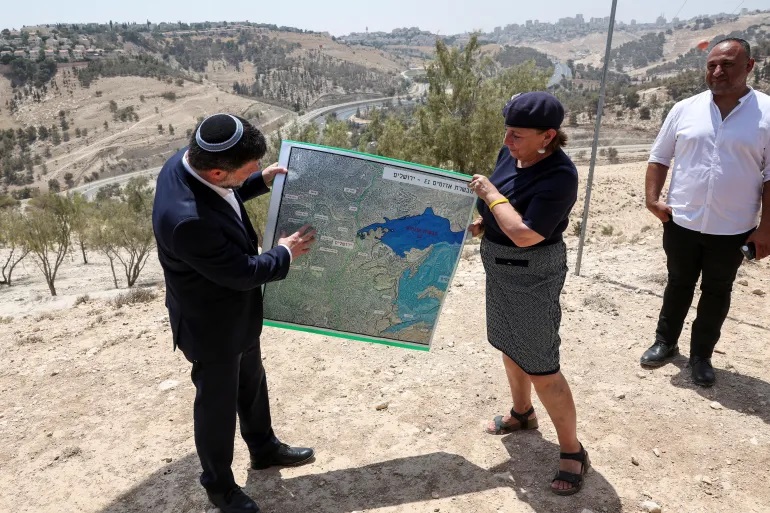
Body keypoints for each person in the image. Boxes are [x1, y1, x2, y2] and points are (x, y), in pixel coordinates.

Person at [152, 113, 317, 513]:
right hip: (211, 327)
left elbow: (222, 199)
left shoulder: (190, 160)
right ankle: (219, 486)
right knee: (217, 408)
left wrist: (258, 181)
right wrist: (284, 253)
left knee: (251, 382)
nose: (256, 168)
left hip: (237, 316)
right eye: (250, 167)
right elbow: (242, 273)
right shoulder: (186, 220)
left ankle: (263, 448)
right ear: (216, 171)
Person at [468, 92, 586, 495]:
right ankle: (522, 413)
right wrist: (484, 224)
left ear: (547, 136)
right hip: (499, 269)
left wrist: (489, 196)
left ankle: (572, 450)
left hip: (532, 274)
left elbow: (525, 233)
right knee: (508, 342)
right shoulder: (513, 154)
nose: (507, 141)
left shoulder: (560, 175)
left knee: (541, 366)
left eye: (517, 135)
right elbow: (507, 210)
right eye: (507, 132)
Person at [640, 38, 770, 387]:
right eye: (712, 65)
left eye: (727, 64)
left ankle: (701, 356)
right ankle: (665, 343)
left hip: (734, 227)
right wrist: (652, 200)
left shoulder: (767, 113)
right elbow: (659, 158)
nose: (717, 71)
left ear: (749, 66)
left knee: (717, 290)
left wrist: (765, 229)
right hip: (681, 220)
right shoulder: (685, 109)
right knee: (678, 283)